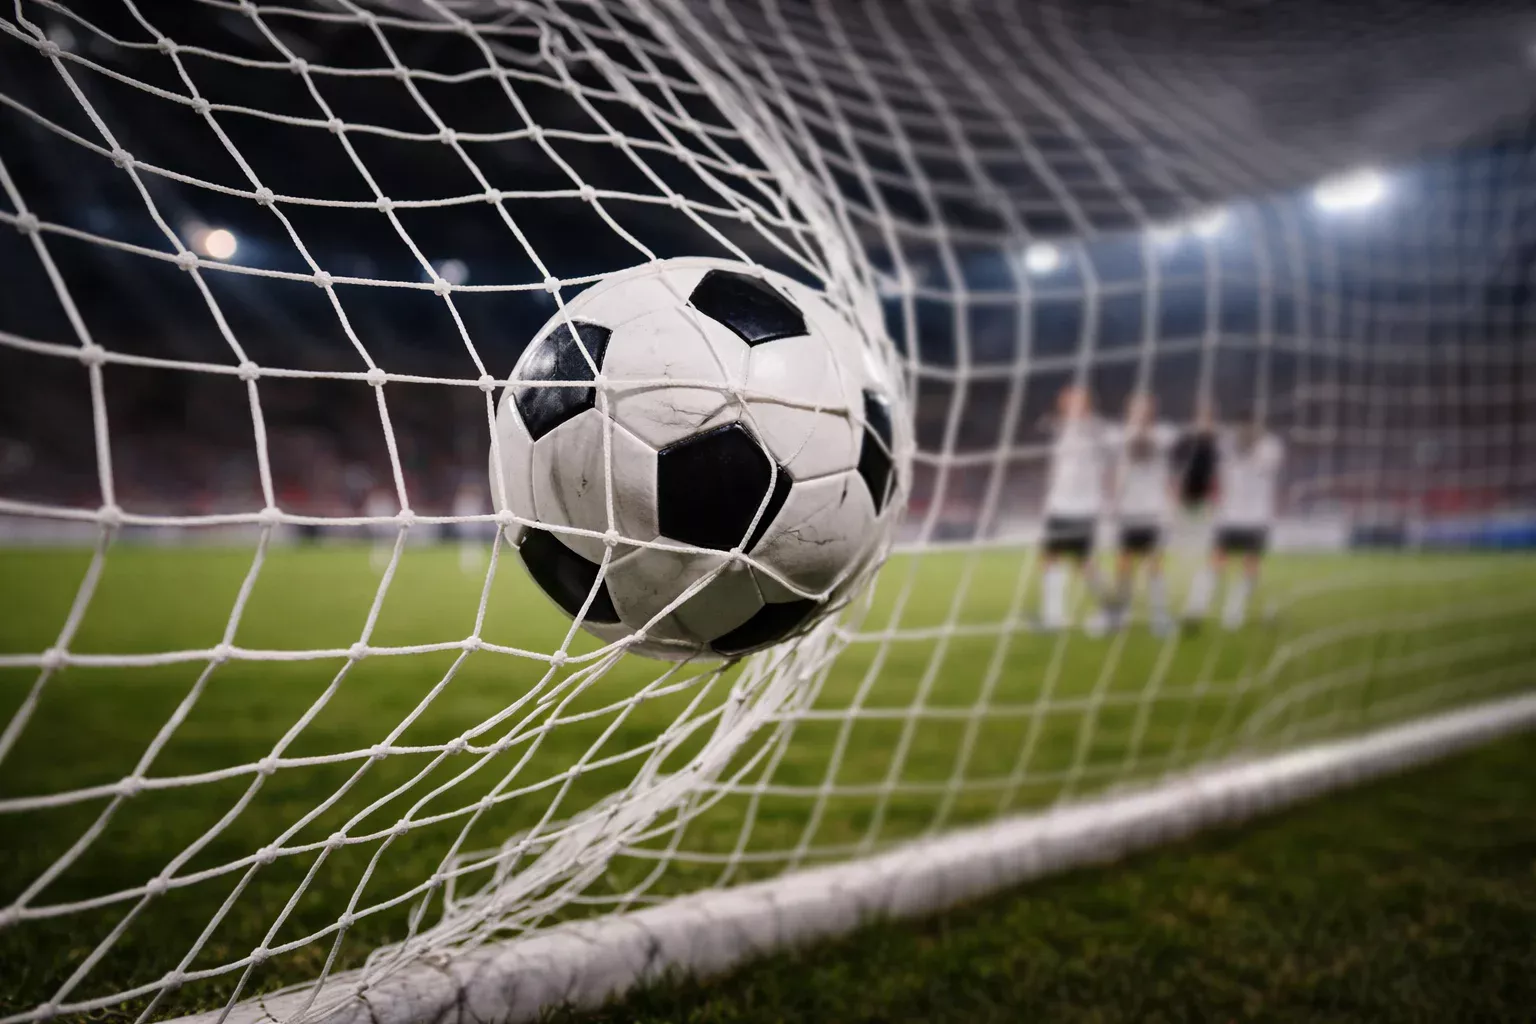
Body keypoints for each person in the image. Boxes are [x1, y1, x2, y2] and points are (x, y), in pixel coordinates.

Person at [1183, 423, 1284, 630]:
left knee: (1249, 565)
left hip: (1256, 518)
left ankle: (1233, 612)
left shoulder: (1268, 447)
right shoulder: (1227, 447)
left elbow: (1269, 463)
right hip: (1231, 517)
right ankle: (1197, 607)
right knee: (1217, 562)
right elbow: (1215, 474)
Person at [1037, 383, 1111, 632]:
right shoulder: (1059, 427)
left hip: (1083, 506)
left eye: (1073, 400)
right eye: (1065, 400)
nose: (1066, 404)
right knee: (1050, 558)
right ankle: (1053, 617)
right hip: (1058, 505)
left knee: (1085, 561)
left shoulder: (1095, 429)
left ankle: (1107, 610)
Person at [1104, 392, 1178, 633]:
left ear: (1152, 411)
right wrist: (1112, 502)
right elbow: (1115, 471)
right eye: (1136, 408)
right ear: (1128, 410)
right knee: (1124, 564)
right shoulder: (1118, 435)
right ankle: (1119, 616)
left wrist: (1172, 505)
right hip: (1127, 510)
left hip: (1154, 510)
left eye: (1145, 408)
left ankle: (1159, 617)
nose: (1141, 412)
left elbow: (1167, 470)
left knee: (1154, 563)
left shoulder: (1164, 434)